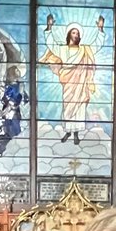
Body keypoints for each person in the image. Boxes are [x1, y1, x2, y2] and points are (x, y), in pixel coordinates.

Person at [41, 14, 105, 144]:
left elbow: (97, 45)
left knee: (80, 108)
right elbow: (51, 44)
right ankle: (68, 132)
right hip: (68, 84)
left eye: (77, 33)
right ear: (69, 34)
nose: (75, 35)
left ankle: (76, 133)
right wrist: (49, 27)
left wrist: (100, 29)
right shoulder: (62, 49)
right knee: (68, 107)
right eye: (73, 32)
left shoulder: (85, 50)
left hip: (81, 85)